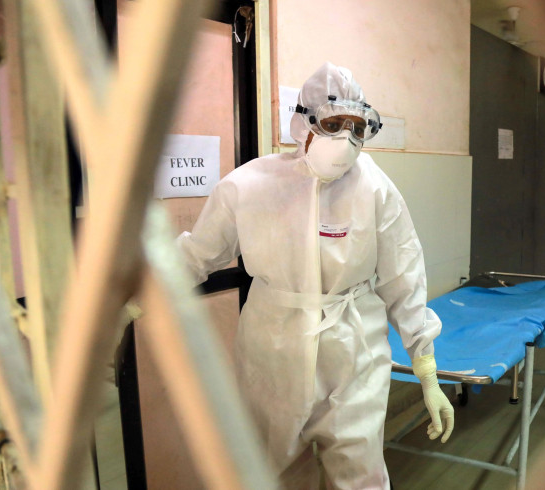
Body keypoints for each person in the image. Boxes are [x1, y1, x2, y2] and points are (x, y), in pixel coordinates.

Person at [176, 62, 454, 489]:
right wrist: (134, 299)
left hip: (354, 352)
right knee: (273, 474)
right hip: (272, 350)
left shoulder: (376, 190)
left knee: (361, 476)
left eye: (357, 127)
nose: (346, 139)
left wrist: (428, 371)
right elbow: (196, 256)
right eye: (334, 123)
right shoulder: (248, 186)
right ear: (303, 122)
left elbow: (405, 278)